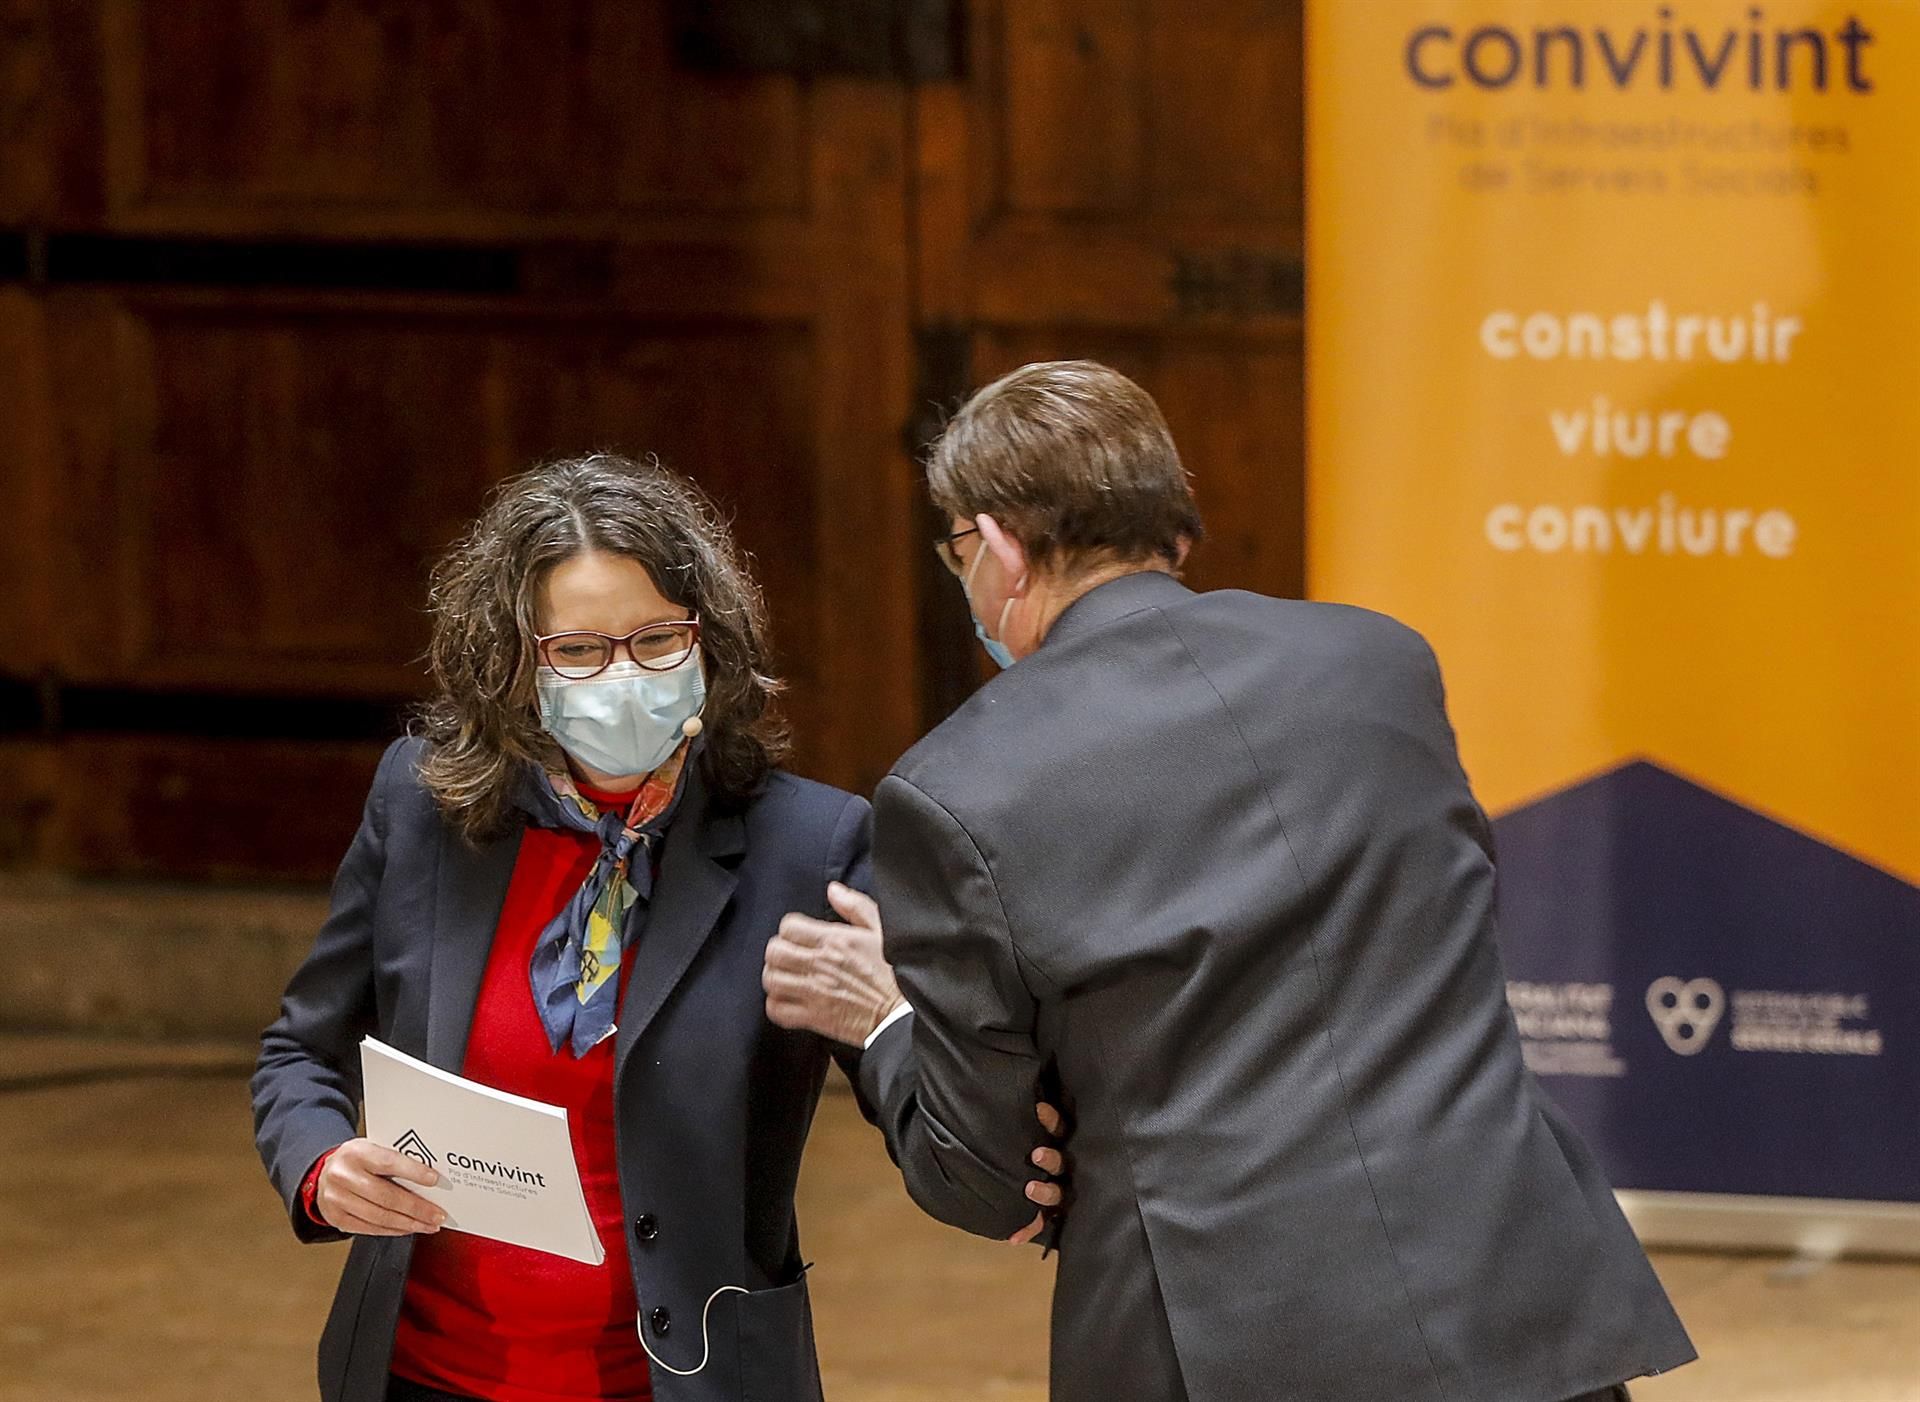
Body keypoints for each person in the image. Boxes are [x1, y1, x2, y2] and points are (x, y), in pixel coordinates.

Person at [762, 362, 1697, 1402]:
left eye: (957, 552)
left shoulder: (956, 788)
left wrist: (884, 1019)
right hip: (1518, 1301)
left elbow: (985, 1181)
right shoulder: (1383, 662)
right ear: (1169, 518)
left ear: (1001, 548)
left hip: (1228, 1350)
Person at [251, 453, 1062, 1402]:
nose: (623, 676)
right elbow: (299, 1052)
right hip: (423, 1374)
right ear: (514, 664)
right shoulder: (422, 805)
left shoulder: (808, 848)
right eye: (578, 651)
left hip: (682, 1380)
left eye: (656, 640)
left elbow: (946, 1129)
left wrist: (894, 1025)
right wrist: (321, 1166)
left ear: (708, 642)